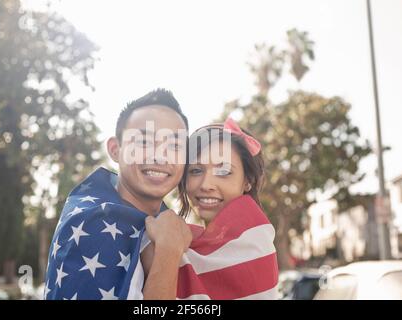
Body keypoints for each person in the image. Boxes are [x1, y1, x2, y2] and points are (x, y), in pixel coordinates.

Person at [44, 89, 192, 300]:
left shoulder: (168, 227)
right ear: (115, 149)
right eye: (144, 142)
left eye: (175, 145)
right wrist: (167, 253)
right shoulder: (92, 225)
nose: (160, 156)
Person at [172, 117, 279, 299]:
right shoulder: (177, 239)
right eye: (196, 171)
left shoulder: (254, 248)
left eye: (223, 172)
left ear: (247, 181)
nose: (206, 184)